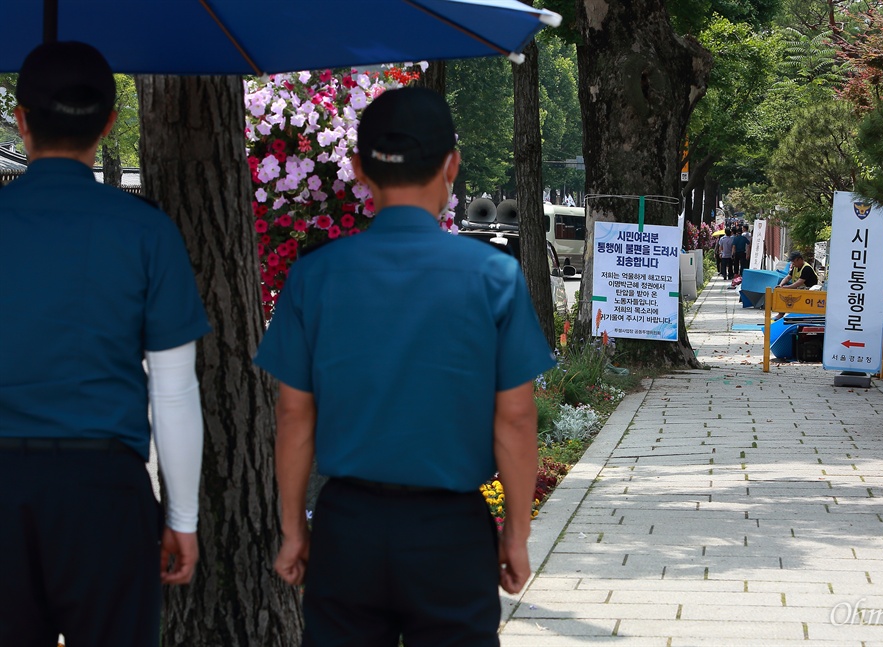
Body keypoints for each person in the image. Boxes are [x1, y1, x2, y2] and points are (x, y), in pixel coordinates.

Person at [254, 86, 555, 646]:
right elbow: (515, 418)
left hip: (348, 527)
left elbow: (294, 414)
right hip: (451, 534)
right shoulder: (493, 276)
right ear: (452, 166)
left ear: (359, 167)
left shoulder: (315, 276)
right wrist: (515, 534)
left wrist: (294, 529)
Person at [0, 42, 210, 646]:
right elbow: (174, 390)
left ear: (21, 117)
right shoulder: (146, 231)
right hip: (103, 492)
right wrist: (182, 519)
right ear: (110, 123)